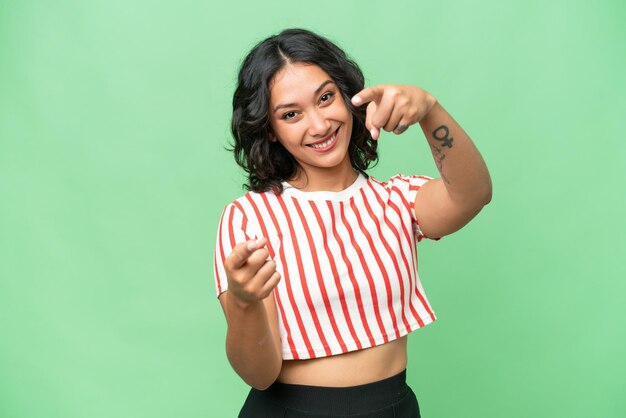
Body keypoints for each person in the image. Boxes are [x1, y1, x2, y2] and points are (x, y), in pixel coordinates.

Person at [213, 28, 492, 417]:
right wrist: (244, 302)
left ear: (347, 97)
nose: (319, 125)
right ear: (271, 131)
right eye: (291, 114)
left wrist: (430, 110)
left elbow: (472, 194)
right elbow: (258, 374)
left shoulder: (397, 201)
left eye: (325, 98)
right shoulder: (248, 218)